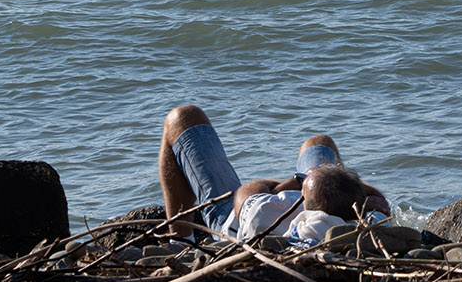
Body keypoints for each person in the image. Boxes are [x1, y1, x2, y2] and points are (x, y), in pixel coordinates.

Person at [156, 103, 390, 245]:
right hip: (332, 199)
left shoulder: (267, 215)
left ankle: (180, 241)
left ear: (304, 201)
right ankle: (321, 178)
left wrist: (293, 182)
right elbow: (379, 200)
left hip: (232, 219)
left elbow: (245, 193)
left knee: (182, 117)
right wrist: (323, 182)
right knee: (319, 143)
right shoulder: (367, 222)